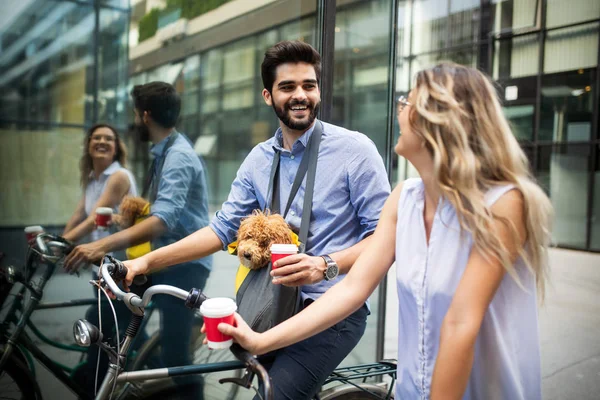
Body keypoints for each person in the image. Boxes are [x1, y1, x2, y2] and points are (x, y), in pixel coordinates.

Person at [217, 63, 554, 400]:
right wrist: (259, 340)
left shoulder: (504, 203)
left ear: (440, 122)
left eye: (409, 102)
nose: (400, 110)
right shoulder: (404, 200)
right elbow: (351, 291)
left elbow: (461, 323)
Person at [121, 40, 391, 399]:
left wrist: (324, 265)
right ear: (268, 96)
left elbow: (385, 238)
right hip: (273, 307)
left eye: (309, 86)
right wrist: (144, 261)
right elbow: (221, 231)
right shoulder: (258, 160)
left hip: (332, 312)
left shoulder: (355, 151)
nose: (301, 95)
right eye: (287, 87)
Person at [64, 82, 212, 396]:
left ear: (145, 116)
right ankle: (107, 385)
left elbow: (163, 220)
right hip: (161, 259)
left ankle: (175, 388)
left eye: (135, 113)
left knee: (176, 355)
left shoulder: (178, 156)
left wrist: (101, 244)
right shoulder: (164, 151)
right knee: (104, 316)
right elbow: (160, 212)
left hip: (185, 264)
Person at [63, 124, 136, 244]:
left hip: (120, 257)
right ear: (88, 145)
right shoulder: (92, 179)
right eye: (97, 138)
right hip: (99, 256)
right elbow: (77, 216)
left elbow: (93, 220)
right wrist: (57, 242)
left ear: (116, 148)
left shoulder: (119, 176)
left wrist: (62, 243)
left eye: (108, 139)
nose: (102, 141)